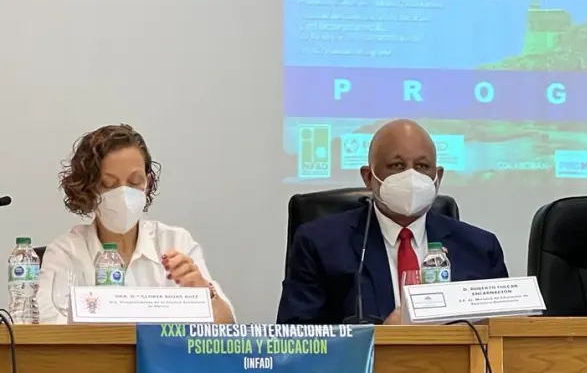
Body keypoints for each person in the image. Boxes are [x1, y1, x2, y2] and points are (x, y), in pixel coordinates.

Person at [278, 119, 508, 324]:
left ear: (438, 177)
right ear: (369, 177)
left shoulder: (480, 249)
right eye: (397, 166)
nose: (411, 176)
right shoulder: (320, 244)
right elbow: (298, 337)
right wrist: (382, 337)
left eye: (422, 166)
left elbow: (507, 333)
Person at [37, 124, 235, 324]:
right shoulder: (66, 253)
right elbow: (44, 326)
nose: (123, 193)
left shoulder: (175, 242)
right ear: (88, 189)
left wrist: (203, 290)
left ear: (148, 183)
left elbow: (227, 327)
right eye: (108, 184)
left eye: (135, 182)